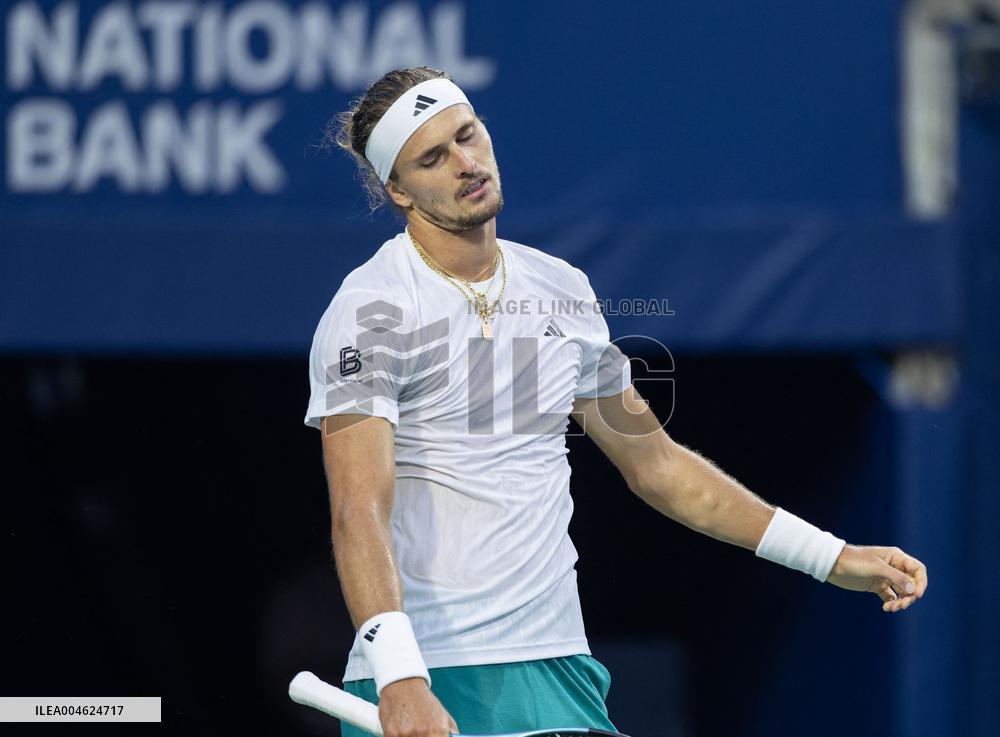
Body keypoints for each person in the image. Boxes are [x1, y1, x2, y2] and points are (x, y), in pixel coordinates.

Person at [303, 67, 928, 737]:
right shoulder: (370, 310)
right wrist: (399, 677)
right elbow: (358, 508)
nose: (465, 163)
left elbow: (658, 466)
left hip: (559, 667)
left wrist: (830, 557)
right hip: (429, 674)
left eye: (468, 135)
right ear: (397, 189)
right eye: (433, 158)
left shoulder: (562, 289)